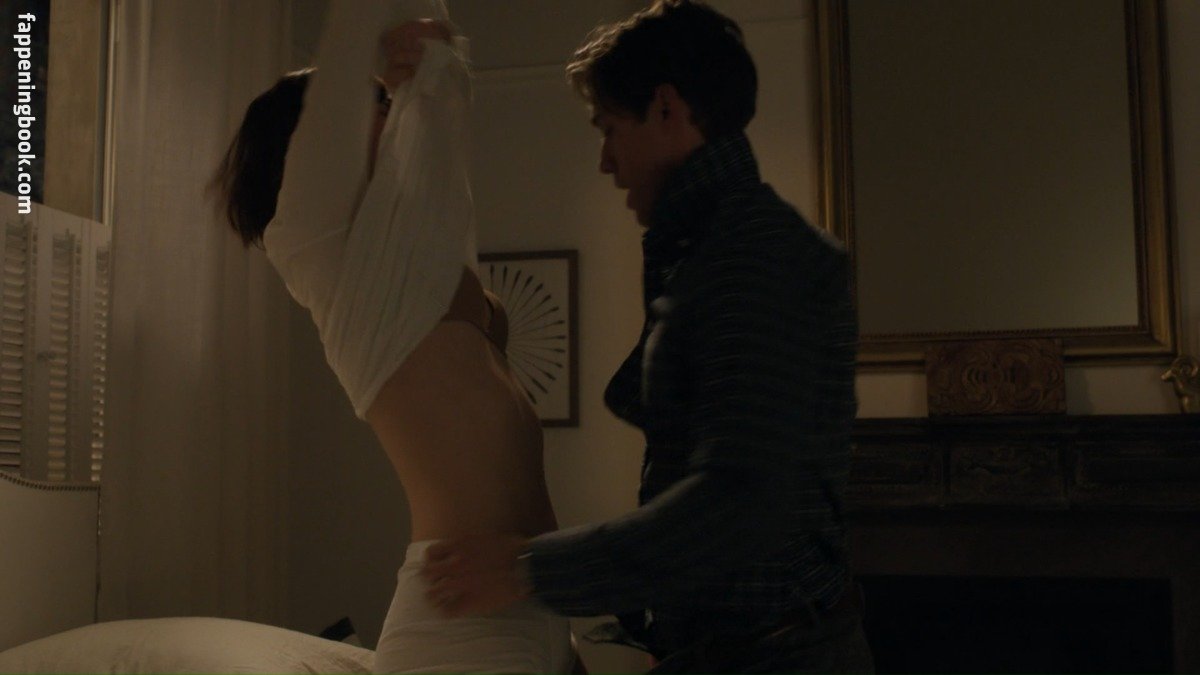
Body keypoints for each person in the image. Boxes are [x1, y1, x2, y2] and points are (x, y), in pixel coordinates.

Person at [419, 1, 874, 672]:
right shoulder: (715, 249)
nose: (606, 162)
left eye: (609, 129)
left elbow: (740, 503)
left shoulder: (751, 257)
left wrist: (525, 569)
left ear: (666, 109)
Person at [210, 0, 578, 672]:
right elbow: (354, 42)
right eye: (375, 103)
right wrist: (409, 62)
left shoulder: (410, 256)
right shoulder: (312, 238)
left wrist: (432, 54)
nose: (391, 108)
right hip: (467, 626)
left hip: (528, 601)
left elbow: (436, 136)